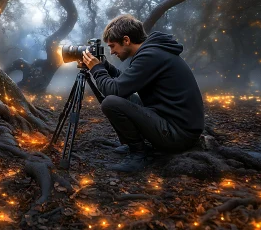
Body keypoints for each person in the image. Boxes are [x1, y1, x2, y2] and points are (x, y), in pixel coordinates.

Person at [82, 14, 204, 172]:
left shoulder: (150, 56)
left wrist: (96, 69)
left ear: (126, 40)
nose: (111, 52)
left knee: (111, 102)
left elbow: (114, 90)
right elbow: (124, 83)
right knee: (126, 97)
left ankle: (139, 154)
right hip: (175, 124)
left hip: (178, 136)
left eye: (112, 46)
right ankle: (138, 145)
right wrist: (105, 66)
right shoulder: (153, 52)